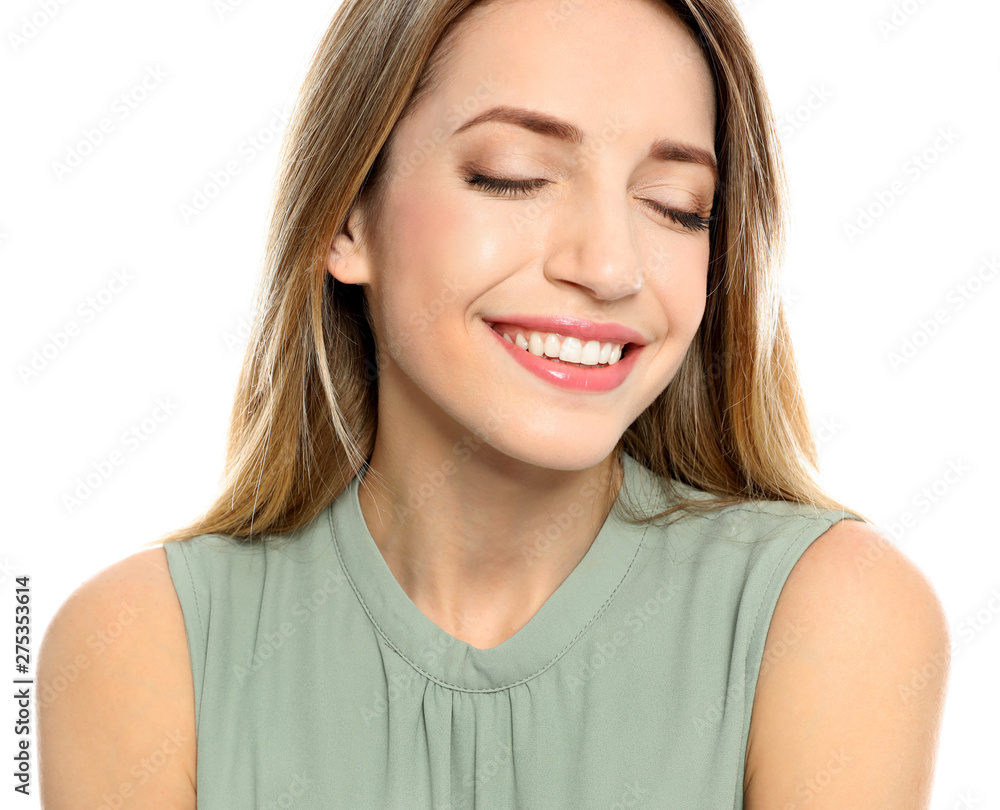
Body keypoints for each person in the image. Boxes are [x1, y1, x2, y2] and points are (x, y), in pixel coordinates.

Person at [37, 0, 950, 806]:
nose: (608, 266)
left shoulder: (827, 616)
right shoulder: (140, 649)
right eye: (513, 175)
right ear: (346, 218)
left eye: (677, 205)